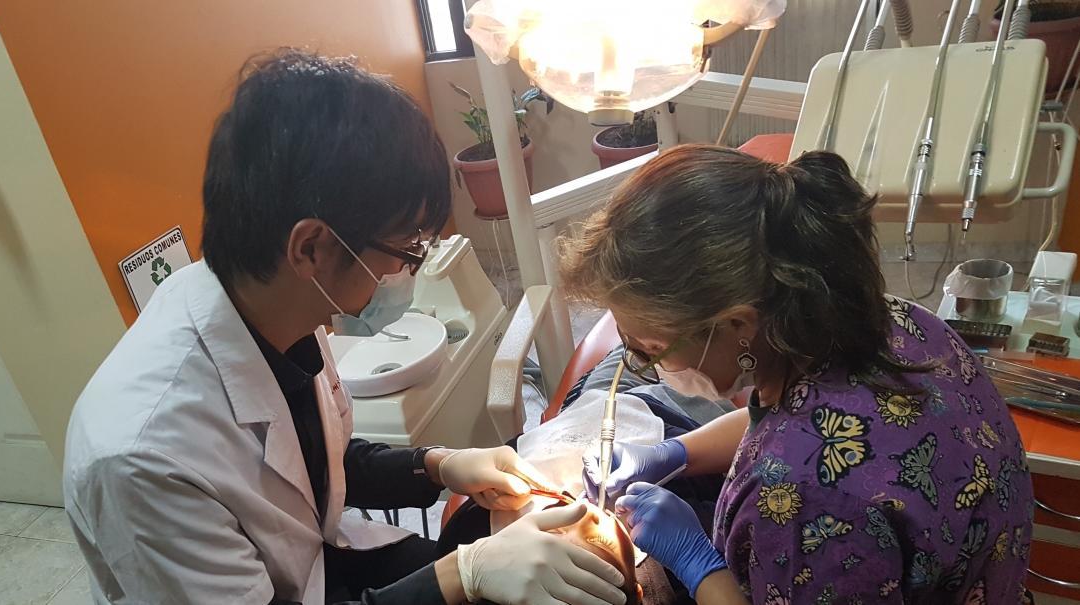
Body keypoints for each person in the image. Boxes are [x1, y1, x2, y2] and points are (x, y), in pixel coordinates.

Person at [63, 49, 627, 605]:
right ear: (310, 247)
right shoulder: (144, 462)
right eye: (407, 248)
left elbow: (317, 465)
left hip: (321, 562)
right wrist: (465, 575)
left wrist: (437, 465)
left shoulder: (280, 307)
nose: (410, 269)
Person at [559, 145, 1035, 604]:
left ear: (738, 323)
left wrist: (699, 566)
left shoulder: (808, 508)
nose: (647, 367)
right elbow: (804, 428)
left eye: (654, 350)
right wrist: (676, 452)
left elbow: (807, 458)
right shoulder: (897, 321)